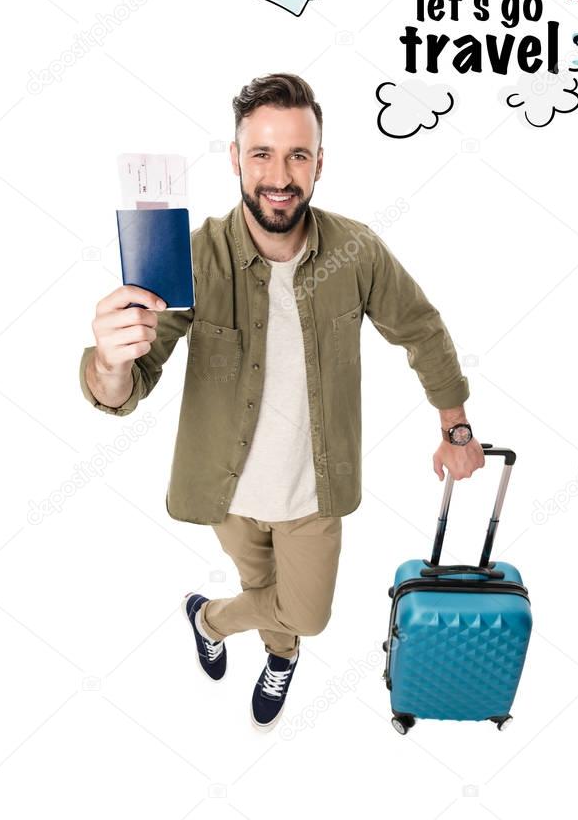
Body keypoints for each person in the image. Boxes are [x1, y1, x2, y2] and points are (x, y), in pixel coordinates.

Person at [78, 72, 485, 730]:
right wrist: (109, 361)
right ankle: (279, 656)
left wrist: (456, 426)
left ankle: (209, 618)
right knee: (268, 592)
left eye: (298, 154)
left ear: (319, 163)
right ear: (236, 159)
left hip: (313, 492)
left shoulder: (355, 249)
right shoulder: (191, 254)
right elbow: (129, 381)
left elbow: (420, 327)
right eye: (262, 153)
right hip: (227, 493)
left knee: (306, 611)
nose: (280, 173)